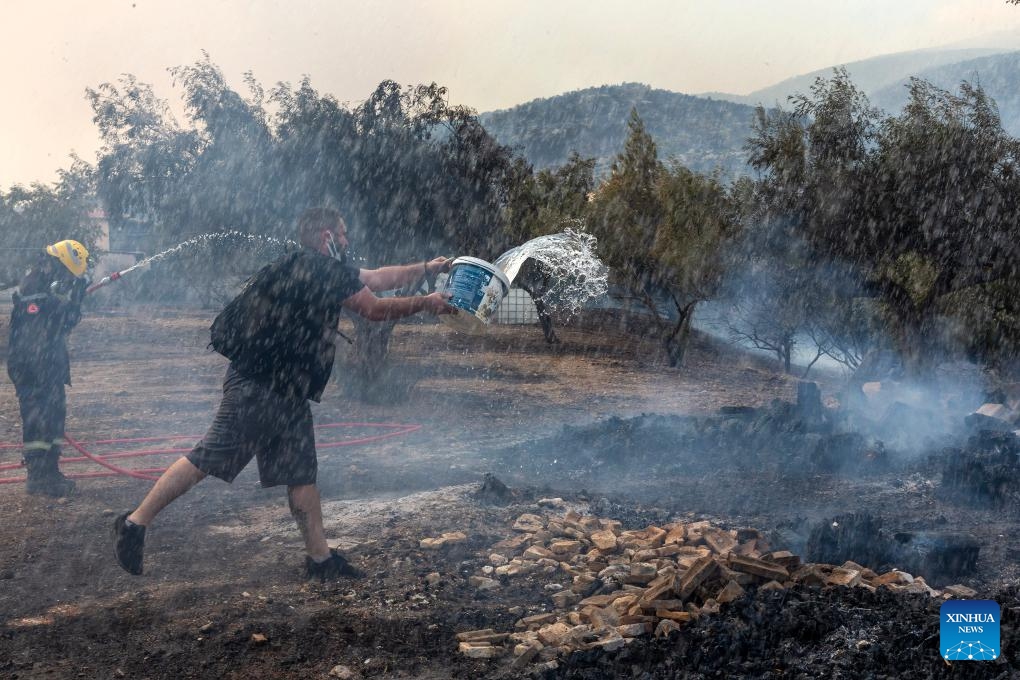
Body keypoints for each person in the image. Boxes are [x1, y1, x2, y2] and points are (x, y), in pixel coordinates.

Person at [113, 207, 455, 580]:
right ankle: (134, 523)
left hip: (287, 390)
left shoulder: (311, 267)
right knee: (209, 456)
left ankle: (320, 561)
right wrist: (426, 303)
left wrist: (427, 268)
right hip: (259, 385)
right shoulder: (319, 269)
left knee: (301, 472)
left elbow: (376, 276)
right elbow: (372, 308)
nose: (346, 240)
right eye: (341, 234)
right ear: (325, 236)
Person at [7, 240, 90, 496]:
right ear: (56, 264)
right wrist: (69, 302)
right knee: (37, 422)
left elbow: (65, 323)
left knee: (54, 419)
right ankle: (38, 477)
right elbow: (41, 327)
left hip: (49, 365)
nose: (66, 278)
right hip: (32, 367)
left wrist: (76, 298)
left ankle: (51, 473)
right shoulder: (34, 286)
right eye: (66, 272)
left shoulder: (50, 288)